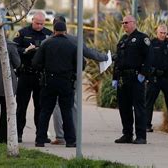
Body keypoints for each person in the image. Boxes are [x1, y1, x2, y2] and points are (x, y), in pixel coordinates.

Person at [50, 15, 108, 145]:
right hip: (72, 77)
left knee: (57, 106)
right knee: (73, 105)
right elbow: (89, 52)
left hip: (53, 78)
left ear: (53, 27)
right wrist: (104, 57)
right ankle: (73, 134)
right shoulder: (75, 40)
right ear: (66, 26)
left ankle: (60, 136)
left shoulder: (49, 40)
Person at [32, 20, 82, 148]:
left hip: (49, 81)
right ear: (65, 31)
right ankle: (70, 140)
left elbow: (36, 62)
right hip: (66, 81)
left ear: (54, 31)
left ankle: (40, 140)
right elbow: (82, 64)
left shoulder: (46, 44)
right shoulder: (72, 45)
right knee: (67, 111)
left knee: (45, 111)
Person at [112, 15, 153, 144]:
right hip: (123, 78)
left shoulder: (142, 38)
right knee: (124, 108)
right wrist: (115, 78)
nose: (124, 25)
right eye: (122, 23)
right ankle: (127, 134)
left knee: (139, 107)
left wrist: (143, 74)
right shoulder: (123, 40)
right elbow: (118, 60)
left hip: (136, 78)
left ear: (134, 23)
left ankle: (141, 136)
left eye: (126, 22)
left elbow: (149, 58)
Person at [13, 11, 52, 143]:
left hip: (40, 76)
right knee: (21, 107)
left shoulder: (48, 34)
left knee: (40, 107)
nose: (39, 26)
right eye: (37, 23)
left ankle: (41, 135)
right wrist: (25, 50)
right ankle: (18, 134)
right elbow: (13, 49)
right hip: (25, 74)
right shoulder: (23, 33)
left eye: (42, 23)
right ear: (32, 21)